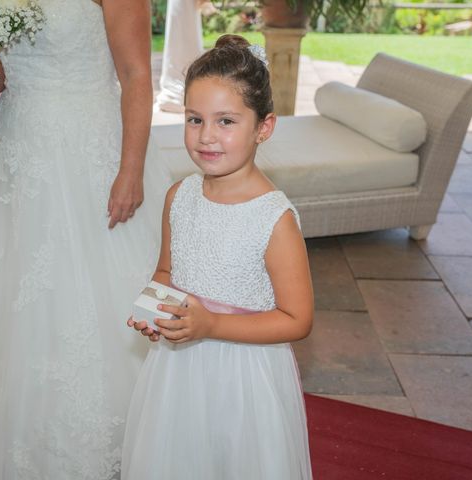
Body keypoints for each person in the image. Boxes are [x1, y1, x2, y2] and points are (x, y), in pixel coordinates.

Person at [0, 0, 171, 478]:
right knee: (18, 302)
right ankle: (27, 430)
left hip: (87, 151)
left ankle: (103, 439)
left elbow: (135, 75)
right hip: (16, 154)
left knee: (85, 297)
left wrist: (130, 170)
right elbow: (4, 64)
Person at [122, 35, 314, 479]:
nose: (206, 136)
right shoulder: (179, 196)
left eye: (225, 121)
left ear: (263, 127)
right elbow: (168, 270)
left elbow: (297, 319)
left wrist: (212, 325)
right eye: (194, 119)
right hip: (178, 370)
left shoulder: (274, 219)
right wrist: (155, 308)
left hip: (245, 378)